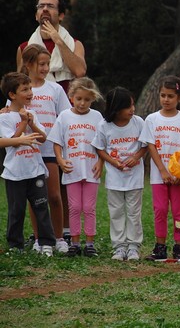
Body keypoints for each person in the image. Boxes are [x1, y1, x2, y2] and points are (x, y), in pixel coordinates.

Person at [19, 44, 72, 254]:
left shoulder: (55, 89)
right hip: (29, 151)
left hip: (50, 149)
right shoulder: (21, 88)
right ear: (29, 64)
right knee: (35, 198)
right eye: (41, 64)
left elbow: (66, 118)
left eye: (47, 64)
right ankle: (39, 239)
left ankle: (59, 238)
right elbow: (12, 113)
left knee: (54, 196)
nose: (45, 68)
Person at [0, 72, 55, 255]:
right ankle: (15, 246)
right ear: (12, 95)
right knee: (17, 210)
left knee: (41, 206)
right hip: (15, 173)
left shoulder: (32, 113)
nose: (30, 92)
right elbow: (11, 140)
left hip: (35, 170)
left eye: (30, 88)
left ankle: (46, 243)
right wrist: (23, 124)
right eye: (25, 89)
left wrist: (32, 123)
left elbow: (43, 138)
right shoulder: (4, 117)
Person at [48, 77, 104, 257]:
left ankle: (89, 244)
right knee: (74, 207)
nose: (82, 103)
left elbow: (103, 144)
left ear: (92, 99)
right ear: (71, 96)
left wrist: (100, 162)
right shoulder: (64, 116)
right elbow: (56, 142)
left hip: (91, 170)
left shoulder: (97, 117)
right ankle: (74, 243)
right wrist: (60, 160)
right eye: (79, 98)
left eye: (87, 100)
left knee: (89, 207)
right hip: (72, 170)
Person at [141, 76, 180, 261]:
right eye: (163, 95)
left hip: (179, 176)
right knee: (160, 209)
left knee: (179, 211)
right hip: (158, 176)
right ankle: (160, 246)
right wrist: (162, 170)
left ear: (179, 97)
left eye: (170, 96)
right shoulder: (152, 119)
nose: (166, 99)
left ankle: (179, 246)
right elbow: (151, 146)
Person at [92, 87, 147, 261]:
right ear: (116, 108)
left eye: (133, 105)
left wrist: (136, 157)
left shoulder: (138, 122)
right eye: (128, 106)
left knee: (133, 212)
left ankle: (133, 247)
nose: (133, 109)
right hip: (114, 179)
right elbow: (99, 148)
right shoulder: (104, 125)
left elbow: (145, 145)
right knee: (116, 212)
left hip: (134, 178)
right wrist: (112, 161)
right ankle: (119, 247)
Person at [16, 0, 86, 94]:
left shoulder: (75, 44)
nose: (45, 9)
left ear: (61, 16)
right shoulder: (25, 48)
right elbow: (19, 83)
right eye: (41, 6)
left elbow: (80, 72)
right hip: (37, 104)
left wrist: (58, 41)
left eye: (50, 6)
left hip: (67, 105)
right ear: (36, 16)